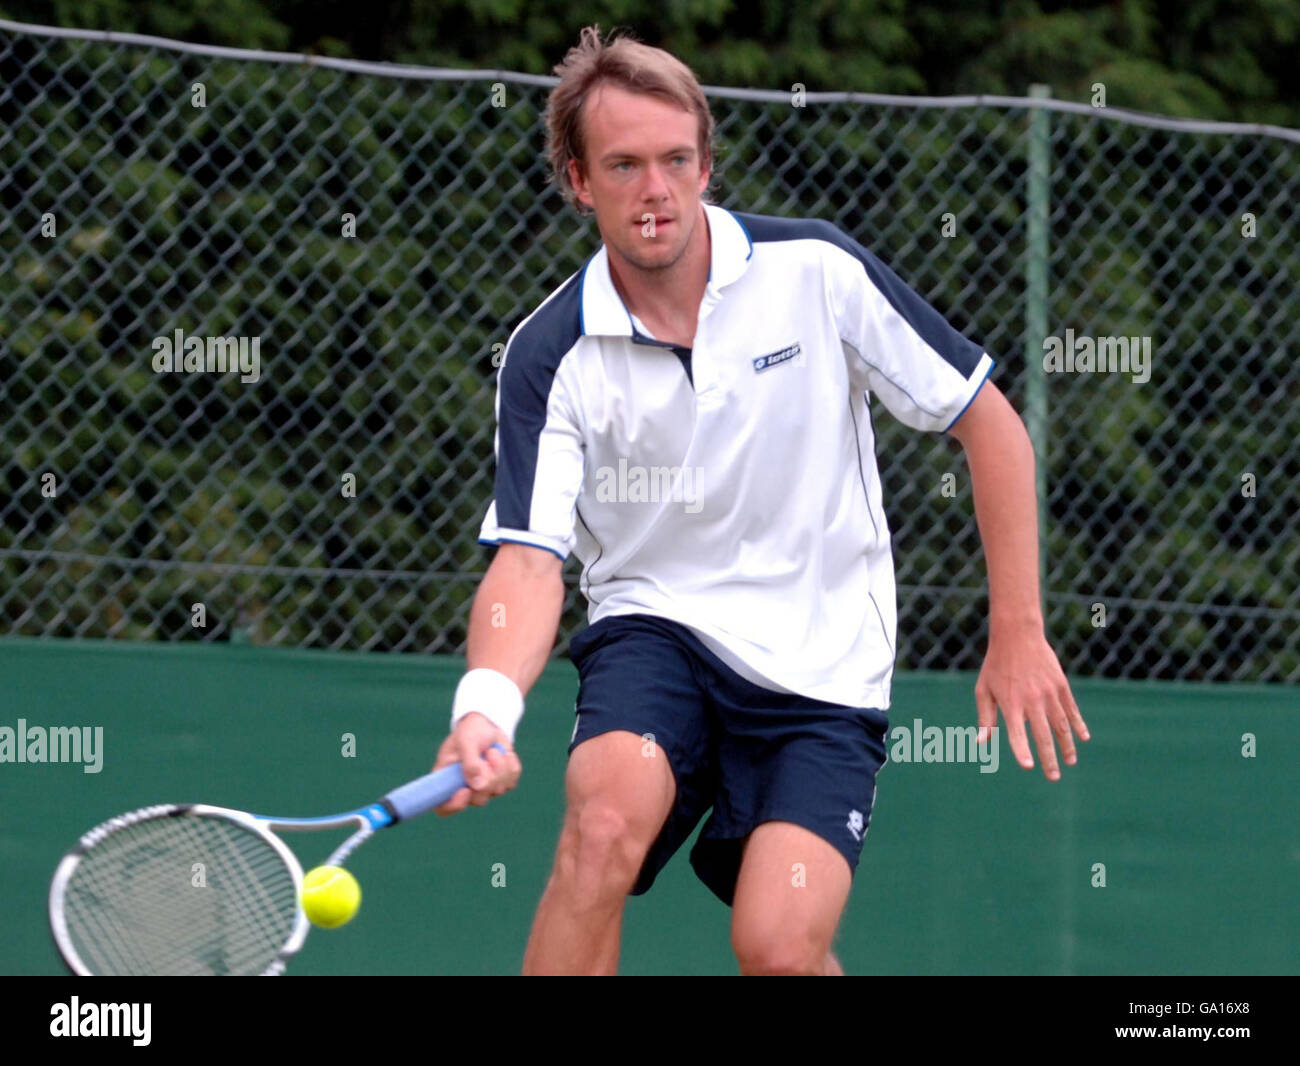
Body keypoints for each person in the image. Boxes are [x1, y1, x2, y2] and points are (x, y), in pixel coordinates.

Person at [428, 25, 1089, 976]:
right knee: (604, 815)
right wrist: (485, 706)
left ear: (706, 164)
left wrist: (1018, 627)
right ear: (578, 180)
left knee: (779, 948)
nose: (655, 191)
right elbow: (529, 559)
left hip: (826, 665)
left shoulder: (817, 273)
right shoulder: (549, 353)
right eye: (623, 165)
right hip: (657, 629)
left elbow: (987, 423)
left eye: (675, 161)